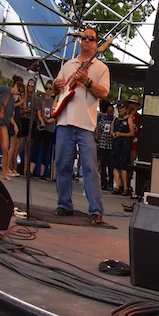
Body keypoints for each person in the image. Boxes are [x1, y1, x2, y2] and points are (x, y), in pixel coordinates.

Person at [53, 27, 109, 224]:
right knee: (62, 164)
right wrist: (55, 86)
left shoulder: (101, 68)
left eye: (90, 38)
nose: (86, 41)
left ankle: (96, 210)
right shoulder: (69, 64)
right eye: (84, 38)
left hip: (86, 125)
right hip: (64, 121)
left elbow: (103, 93)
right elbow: (56, 86)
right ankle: (64, 204)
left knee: (90, 168)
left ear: (96, 44)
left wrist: (87, 82)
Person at [30, 79, 57, 179]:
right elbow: (38, 112)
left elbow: (56, 115)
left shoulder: (54, 102)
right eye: (47, 88)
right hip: (40, 126)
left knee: (45, 149)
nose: (48, 90)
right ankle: (31, 171)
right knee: (36, 147)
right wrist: (42, 121)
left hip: (49, 128)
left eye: (50, 89)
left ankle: (42, 173)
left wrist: (50, 121)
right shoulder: (40, 100)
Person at [110, 102, 135, 195]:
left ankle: (125, 187)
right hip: (116, 144)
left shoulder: (129, 119)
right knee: (115, 165)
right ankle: (117, 185)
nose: (120, 110)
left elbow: (132, 133)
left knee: (123, 166)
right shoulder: (115, 119)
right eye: (119, 108)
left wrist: (122, 134)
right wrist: (113, 134)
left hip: (124, 144)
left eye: (122, 108)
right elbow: (112, 130)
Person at [96, 104, 114, 190]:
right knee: (102, 165)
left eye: (112, 110)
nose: (110, 112)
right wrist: (97, 139)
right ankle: (104, 183)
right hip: (103, 144)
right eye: (109, 110)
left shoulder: (114, 120)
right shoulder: (103, 119)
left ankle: (110, 183)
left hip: (111, 145)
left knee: (110, 165)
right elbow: (98, 129)